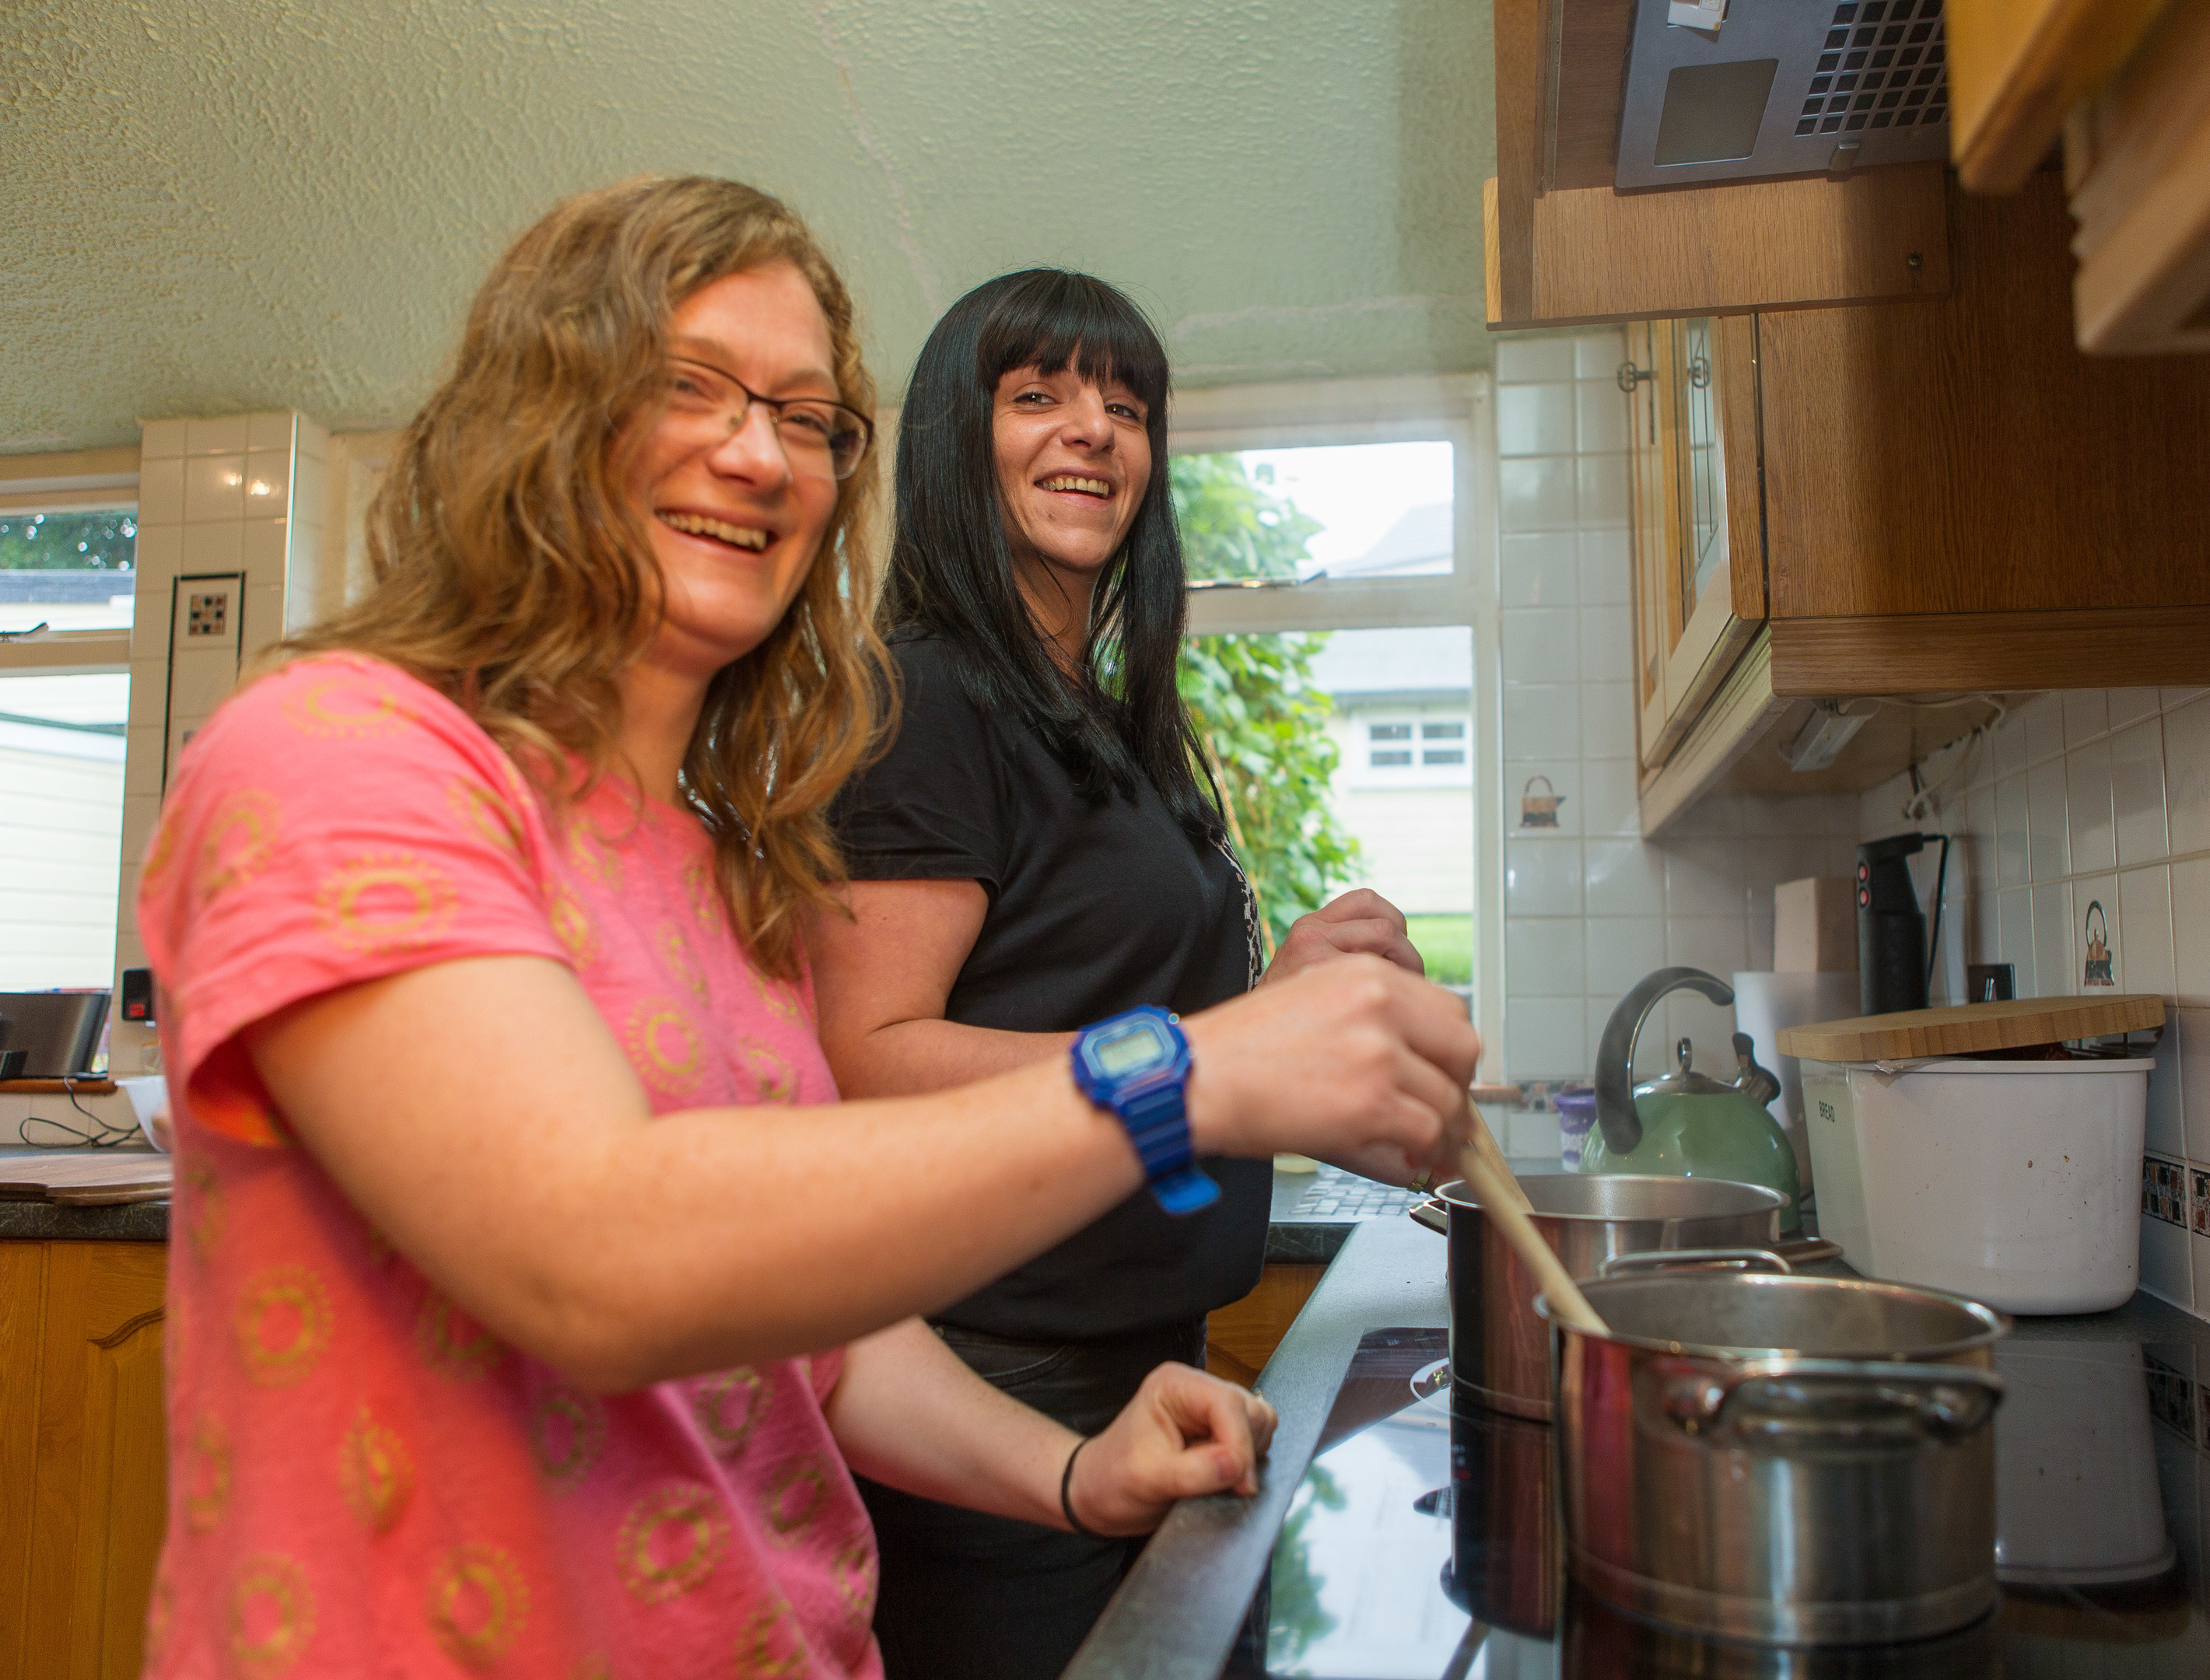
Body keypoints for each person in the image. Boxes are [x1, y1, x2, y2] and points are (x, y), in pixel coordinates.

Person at [135, 179, 1478, 1679]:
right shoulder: (340, 751)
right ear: (541, 412)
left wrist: (1064, 1471)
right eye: (689, 388)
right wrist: (1193, 1071)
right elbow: (591, 1255)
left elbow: (811, 1341)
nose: (756, 450)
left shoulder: (722, 872)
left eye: (805, 414)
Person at [811, 269, 1431, 1678]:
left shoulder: (1094, 714)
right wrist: (1222, 1056)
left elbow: (1107, 1019)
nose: (1094, 429)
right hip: (992, 1400)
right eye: (1037, 396)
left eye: (1125, 404)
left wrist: (1269, 1014)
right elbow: (871, 1059)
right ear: (956, 452)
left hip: (1134, 1367)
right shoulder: (925, 699)